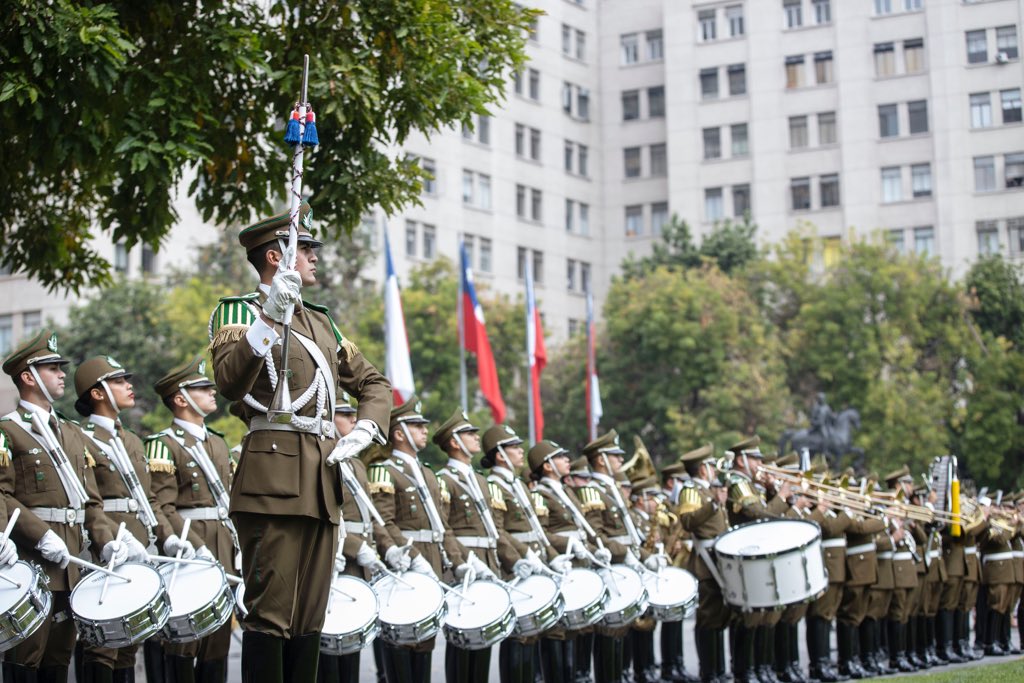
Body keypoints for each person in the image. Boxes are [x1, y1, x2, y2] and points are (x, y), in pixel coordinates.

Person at [208, 203, 392, 681]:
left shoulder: (322, 322)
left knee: (310, 618)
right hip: (272, 478)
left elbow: (374, 383)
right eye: (305, 248)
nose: (314, 257)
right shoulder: (238, 312)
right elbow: (229, 381)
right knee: (271, 615)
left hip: (321, 480)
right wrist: (268, 318)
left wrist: (369, 427)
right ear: (275, 256)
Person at [0, 330, 122, 682]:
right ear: (28, 376)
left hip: (72, 565)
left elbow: (90, 502)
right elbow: (3, 495)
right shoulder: (9, 430)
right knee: (25, 659)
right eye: (52, 367)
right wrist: (40, 536)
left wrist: (106, 538)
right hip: (32, 561)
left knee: (58, 661)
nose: (62, 374)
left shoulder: (70, 431)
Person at [147, 356, 237, 682]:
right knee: (185, 640)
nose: (212, 391)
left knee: (218, 640)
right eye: (203, 388)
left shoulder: (217, 442)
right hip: (189, 548)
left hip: (224, 544)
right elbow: (161, 504)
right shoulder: (162, 445)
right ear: (181, 399)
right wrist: (190, 544)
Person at [74, 356, 163, 683]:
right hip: (105, 548)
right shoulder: (81, 439)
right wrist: (109, 540)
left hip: (139, 546)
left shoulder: (132, 440)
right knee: (102, 643)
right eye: (119, 381)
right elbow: (88, 501)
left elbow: (149, 498)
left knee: (129, 642)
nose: (129, 386)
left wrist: (165, 536)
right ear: (97, 393)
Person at [368, 396, 464, 683]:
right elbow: (383, 521)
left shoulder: (427, 474)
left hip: (433, 562)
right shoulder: (384, 469)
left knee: (424, 640)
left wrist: (458, 563)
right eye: (417, 426)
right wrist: (406, 555)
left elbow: (442, 525)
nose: (425, 430)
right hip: (405, 565)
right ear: (399, 433)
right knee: (400, 638)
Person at [433, 410, 528, 683]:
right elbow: (444, 529)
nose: (476, 437)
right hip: (464, 567)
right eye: (469, 434)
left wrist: (513, 559)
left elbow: (493, 530)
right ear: (454, 442)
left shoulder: (482, 482)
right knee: (462, 640)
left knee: (483, 636)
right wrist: (463, 562)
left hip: (488, 564)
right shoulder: (444, 479)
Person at [482, 424, 561, 683]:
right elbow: (498, 531)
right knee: (518, 634)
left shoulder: (517, 485)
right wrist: (521, 558)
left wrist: (550, 554)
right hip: (515, 565)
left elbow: (537, 529)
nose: (520, 451)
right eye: (514, 447)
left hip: (534, 561)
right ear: (499, 454)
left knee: (532, 633)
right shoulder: (495, 485)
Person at [529, 440, 597, 683]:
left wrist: (591, 549)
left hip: (578, 562)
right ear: (547, 466)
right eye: (561, 457)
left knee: (573, 626)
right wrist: (568, 545)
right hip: (559, 562)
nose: (568, 460)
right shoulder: (539, 494)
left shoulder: (566, 491)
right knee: (557, 628)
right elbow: (541, 532)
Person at [676, 443, 729, 683]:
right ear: (703, 469)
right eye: (711, 465)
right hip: (705, 562)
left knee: (718, 617)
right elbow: (688, 521)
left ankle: (718, 668)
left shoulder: (707, 490)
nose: (714, 470)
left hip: (718, 558)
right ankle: (708, 671)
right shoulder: (691, 490)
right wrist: (715, 504)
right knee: (708, 618)